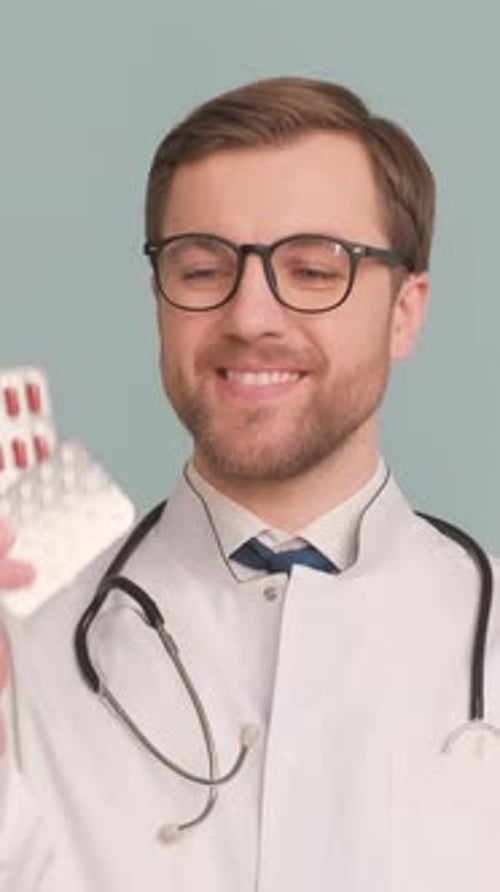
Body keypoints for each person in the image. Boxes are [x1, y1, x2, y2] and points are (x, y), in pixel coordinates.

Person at [1, 76, 499, 892]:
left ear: (405, 312)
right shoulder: (24, 640)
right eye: (201, 269)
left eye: (312, 269)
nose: (251, 315)